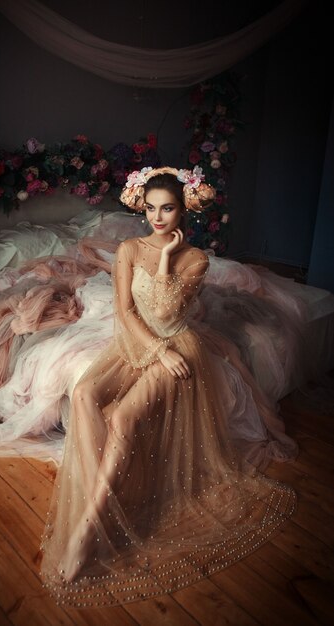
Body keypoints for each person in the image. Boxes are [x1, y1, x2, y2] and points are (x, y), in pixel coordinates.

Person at [38, 166, 296, 607]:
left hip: (181, 344)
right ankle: (108, 486)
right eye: (152, 209)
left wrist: (163, 260)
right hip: (138, 343)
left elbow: (166, 309)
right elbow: (125, 310)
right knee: (83, 394)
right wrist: (156, 352)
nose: (158, 218)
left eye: (168, 209)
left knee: (122, 416)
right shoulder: (126, 248)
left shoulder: (197, 259)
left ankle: (87, 529)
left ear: (183, 211)